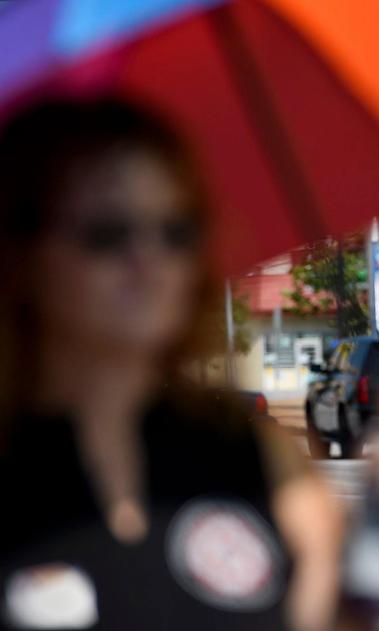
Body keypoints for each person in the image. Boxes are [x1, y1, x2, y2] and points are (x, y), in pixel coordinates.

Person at [0, 99, 342, 631]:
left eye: (176, 230)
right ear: (21, 254)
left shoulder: (256, 453)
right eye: (108, 233)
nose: (149, 259)